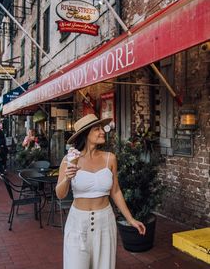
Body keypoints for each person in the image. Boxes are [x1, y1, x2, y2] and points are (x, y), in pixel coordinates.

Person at [56, 114, 146, 269]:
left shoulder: (109, 158)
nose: (102, 132)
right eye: (97, 129)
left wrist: (130, 219)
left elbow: (116, 191)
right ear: (86, 134)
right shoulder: (69, 160)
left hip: (105, 222)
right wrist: (67, 178)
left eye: (102, 128)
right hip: (77, 223)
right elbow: (60, 194)